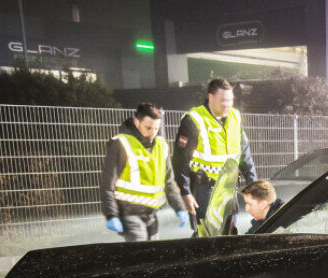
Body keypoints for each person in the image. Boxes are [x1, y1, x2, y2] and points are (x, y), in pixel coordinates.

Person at [100, 102, 188, 242]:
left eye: (156, 128)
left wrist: (180, 208)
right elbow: (107, 184)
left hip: (151, 214)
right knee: (140, 255)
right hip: (129, 214)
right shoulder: (121, 144)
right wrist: (111, 215)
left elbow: (169, 181)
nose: (152, 133)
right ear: (136, 122)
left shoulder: (161, 145)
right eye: (148, 128)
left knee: (153, 256)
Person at [173, 78, 258, 221]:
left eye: (230, 100)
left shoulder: (235, 117)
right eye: (223, 100)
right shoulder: (194, 120)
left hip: (229, 189)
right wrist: (185, 192)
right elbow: (180, 160)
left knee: (230, 235)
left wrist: (253, 185)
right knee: (207, 238)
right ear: (210, 97)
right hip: (204, 190)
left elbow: (244, 154)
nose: (227, 105)